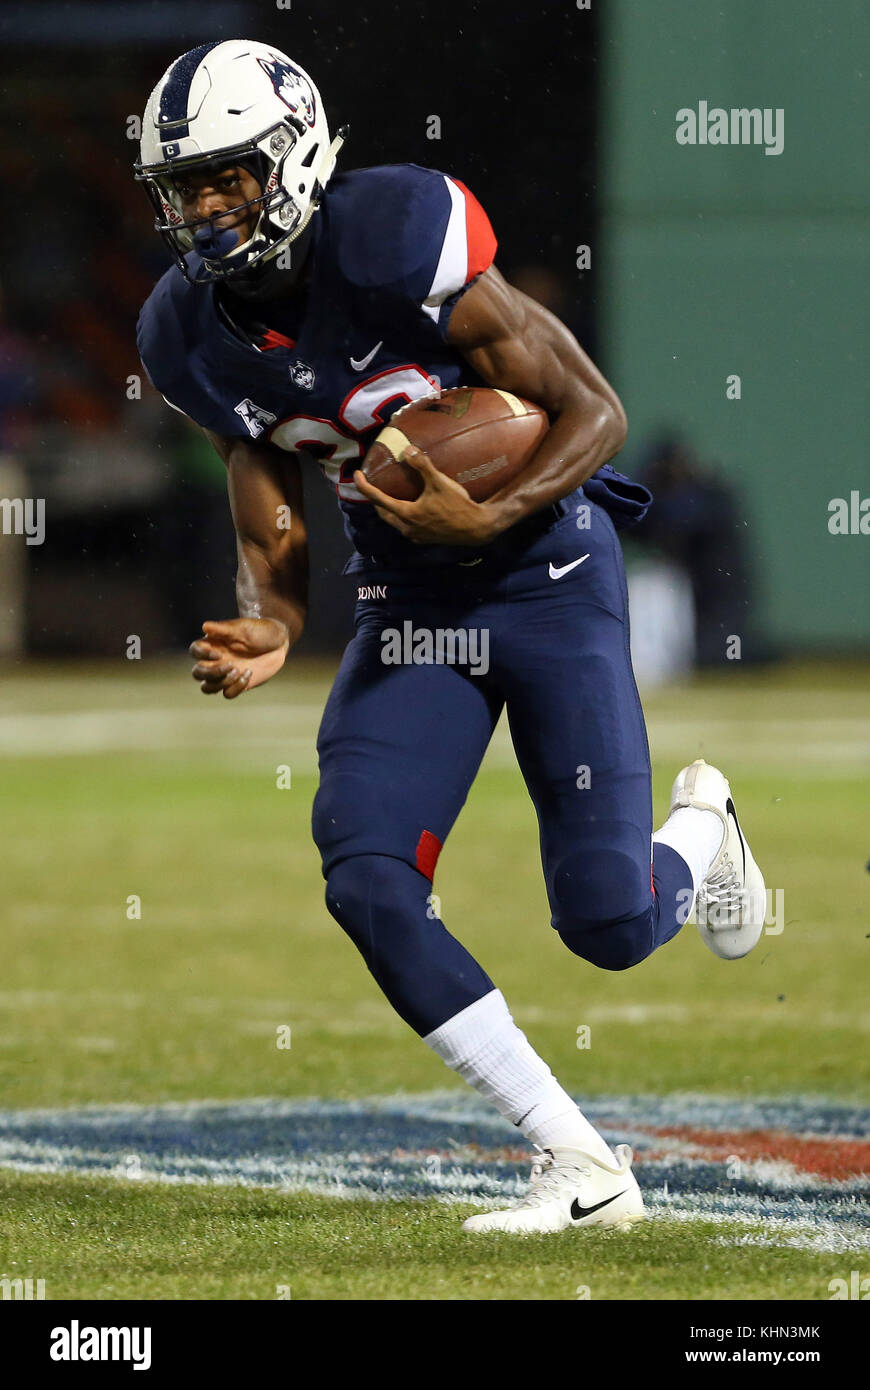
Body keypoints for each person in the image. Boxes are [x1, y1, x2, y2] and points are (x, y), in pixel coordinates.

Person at [135, 40, 766, 1234]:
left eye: (229, 177)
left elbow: (596, 411)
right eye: (186, 186)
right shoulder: (184, 330)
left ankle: (701, 833)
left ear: (295, 156)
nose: (207, 209)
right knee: (365, 871)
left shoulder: (393, 234)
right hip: (410, 608)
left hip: (550, 576)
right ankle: (581, 1160)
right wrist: (273, 614)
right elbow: (261, 461)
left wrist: (498, 506)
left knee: (611, 925)